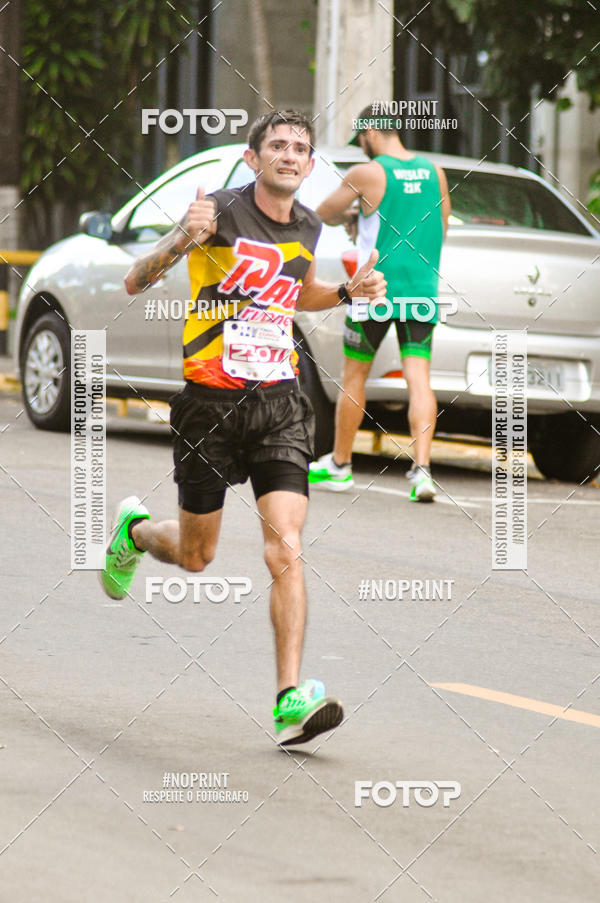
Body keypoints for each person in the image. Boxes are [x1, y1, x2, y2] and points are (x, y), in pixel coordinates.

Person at [98, 110, 386, 746]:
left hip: (279, 405)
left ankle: (289, 698)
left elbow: (295, 290)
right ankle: (135, 532)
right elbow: (133, 279)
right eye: (277, 145)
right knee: (198, 556)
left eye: (300, 148)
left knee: (287, 543)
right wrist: (180, 240)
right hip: (209, 405)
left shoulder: (310, 225)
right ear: (254, 159)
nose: (289, 154)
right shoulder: (216, 213)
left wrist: (346, 293)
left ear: (310, 167)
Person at [309, 102, 450, 501]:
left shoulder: (367, 173)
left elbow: (321, 214)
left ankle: (340, 465)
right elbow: (440, 227)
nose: (362, 147)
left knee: (354, 376)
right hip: (421, 291)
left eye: (362, 140)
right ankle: (422, 471)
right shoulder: (434, 172)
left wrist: (353, 215)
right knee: (419, 379)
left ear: (371, 133)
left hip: (373, 291)